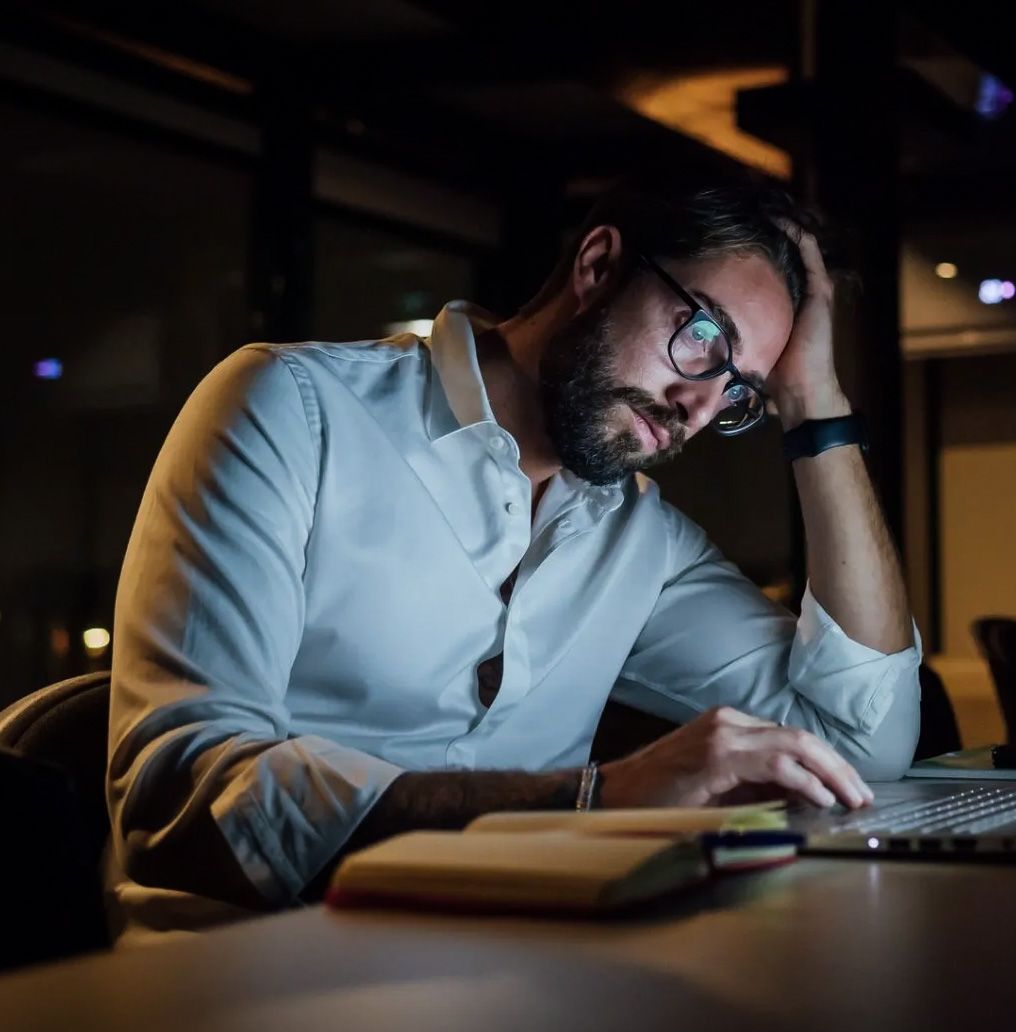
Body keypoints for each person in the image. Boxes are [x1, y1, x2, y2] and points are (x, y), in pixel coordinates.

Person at [106, 174, 920, 940]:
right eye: (702, 336)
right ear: (598, 266)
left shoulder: (642, 541)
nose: (699, 406)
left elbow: (863, 739)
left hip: (527, 976)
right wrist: (593, 801)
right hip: (250, 983)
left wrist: (815, 406)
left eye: (742, 391)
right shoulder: (294, 408)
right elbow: (179, 792)